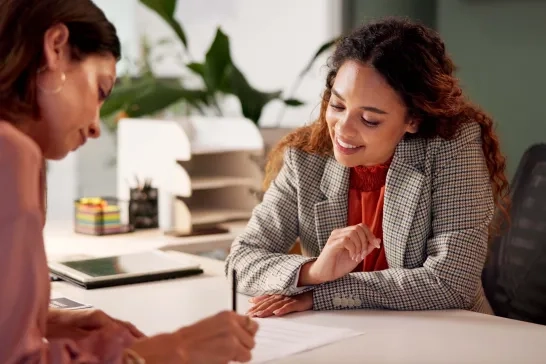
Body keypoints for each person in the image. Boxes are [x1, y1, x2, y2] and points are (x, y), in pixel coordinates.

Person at [0, 0, 258, 363]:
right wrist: (174, 349)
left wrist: (46, 322)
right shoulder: (11, 152)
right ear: (55, 47)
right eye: (101, 91)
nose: (94, 125)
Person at [225, 17, 510, 318]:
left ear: (413, 119)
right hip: (343, 333)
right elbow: (239, 262)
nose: (343, 130)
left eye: (370, 119)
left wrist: (323, 294)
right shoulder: (306, 159)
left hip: (447, 332)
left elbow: (452, 283)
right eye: (337, 106)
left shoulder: (452, 147)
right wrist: (314, 271)